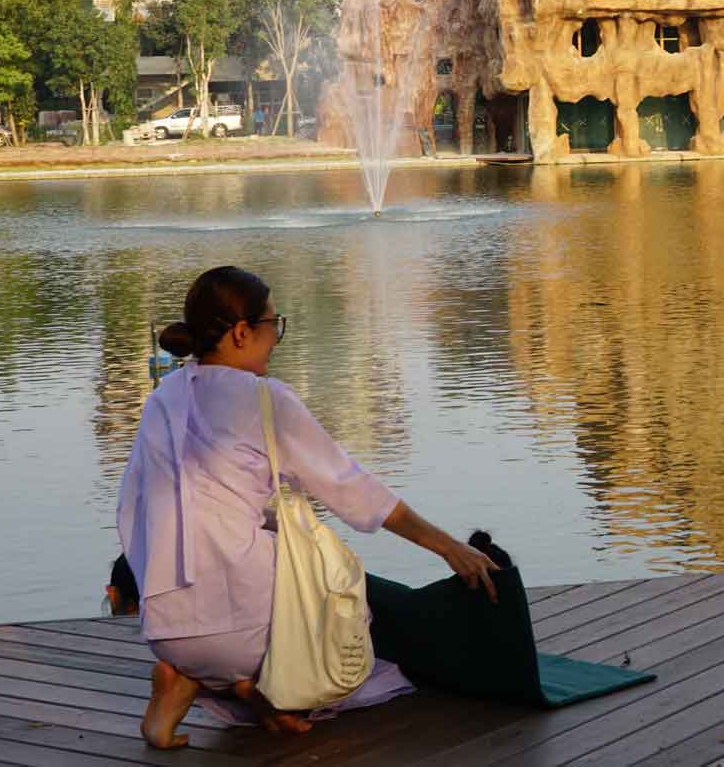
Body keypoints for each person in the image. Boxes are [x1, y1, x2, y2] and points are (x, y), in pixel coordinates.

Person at [118, 265, 502, 750]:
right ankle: (259, 688)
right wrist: (449, 548)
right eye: (272, 326)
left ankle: (198, 682)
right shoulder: (265, 400)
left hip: (165, 628)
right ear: (241, 333)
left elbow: (132, 512)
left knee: (253, 577)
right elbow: (354, 491)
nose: (276, 340)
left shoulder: (163, 398)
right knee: (343, 628)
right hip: (242, 632)